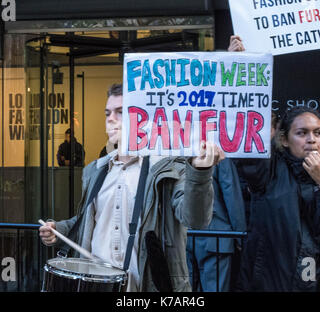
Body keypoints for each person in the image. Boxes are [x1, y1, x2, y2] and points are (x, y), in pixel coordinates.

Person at [40, 83, 225, 292]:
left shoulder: (166, 168)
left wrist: (200, 173)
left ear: (142, 118)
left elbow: (196, 219)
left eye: (120, 112)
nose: (111, 119)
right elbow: (90, 221)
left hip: (147, 288)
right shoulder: (96, 170)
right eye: (108, 113)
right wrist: (60, 230)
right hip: (97, 285)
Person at [185, 35, 247, 292]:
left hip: (186, 236)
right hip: (218, 237)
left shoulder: (180, 144)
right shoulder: (217, 143)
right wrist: (240, 232)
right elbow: (230, 190)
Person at [237, 106, 320, 291]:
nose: (312, 140)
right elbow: (251, 158)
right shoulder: (270, 170)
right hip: (268, 280)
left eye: (318, 133)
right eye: (302, 133)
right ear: (284, 139)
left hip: (310, 280)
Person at [186, 158, 246, 292]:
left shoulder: (178, 152)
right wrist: (240, 236)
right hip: (216, 235)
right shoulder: (219, 155)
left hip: (184, 235)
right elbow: (232, 195)